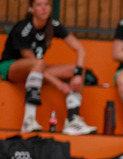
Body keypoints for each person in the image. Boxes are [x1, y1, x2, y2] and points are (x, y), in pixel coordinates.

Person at [0, 0, 97, 135]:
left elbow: (80, 49)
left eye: (46, 4)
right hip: (10, 68)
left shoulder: (52, 25)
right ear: (31, 9)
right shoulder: (23, 28)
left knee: (76, 69)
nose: (43, 8)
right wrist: (58, 83)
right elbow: (32, 62)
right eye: (39, 5)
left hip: (38, 69)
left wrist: (78, 75)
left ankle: (73, 120)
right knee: (39, 63)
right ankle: (29, 120)